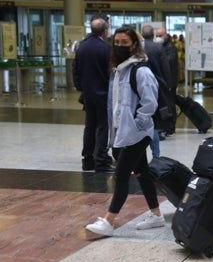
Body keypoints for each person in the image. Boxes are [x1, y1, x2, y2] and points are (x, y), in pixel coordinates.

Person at [85, 26, 164, 236]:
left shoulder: (141, 71)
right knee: (142, 173)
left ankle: (109, 221)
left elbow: (150, 103)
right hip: (124, 132)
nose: (120, 46)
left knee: (121, 175)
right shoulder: (119, 70)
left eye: (124, 43)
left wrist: (137, 124)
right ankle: (157, 215)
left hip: (136, 133)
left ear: (134, 45)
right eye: (117, 43)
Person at [73, 17, 115, 173]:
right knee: (103, 128)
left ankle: (87, 159)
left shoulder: (81, 47)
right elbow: (110, 72)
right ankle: (101, 161)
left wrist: (82, 88)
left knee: (89, 127)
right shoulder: (106, 48)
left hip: (88, 94)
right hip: (103, 94)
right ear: (104, 31)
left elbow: (75, 71)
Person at [141, 25, 170, 154]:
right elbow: (165, 67)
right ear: (153, 35)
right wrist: (167, 84)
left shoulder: (139, 48)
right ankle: (156, 154)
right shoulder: (158, 47)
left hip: (141, 87)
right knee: (154, 119)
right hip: (157, 85)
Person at [155, 27, 179, 136]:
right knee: (165, 104)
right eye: (157, 36)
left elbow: (169, 61)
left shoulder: (170, 47)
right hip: (163, 81)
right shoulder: (161, 47)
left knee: (170, 104)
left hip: (170, 81)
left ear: (166, 35)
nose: (159, 38)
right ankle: (165, 126)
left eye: (161, 36)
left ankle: (170, 127)